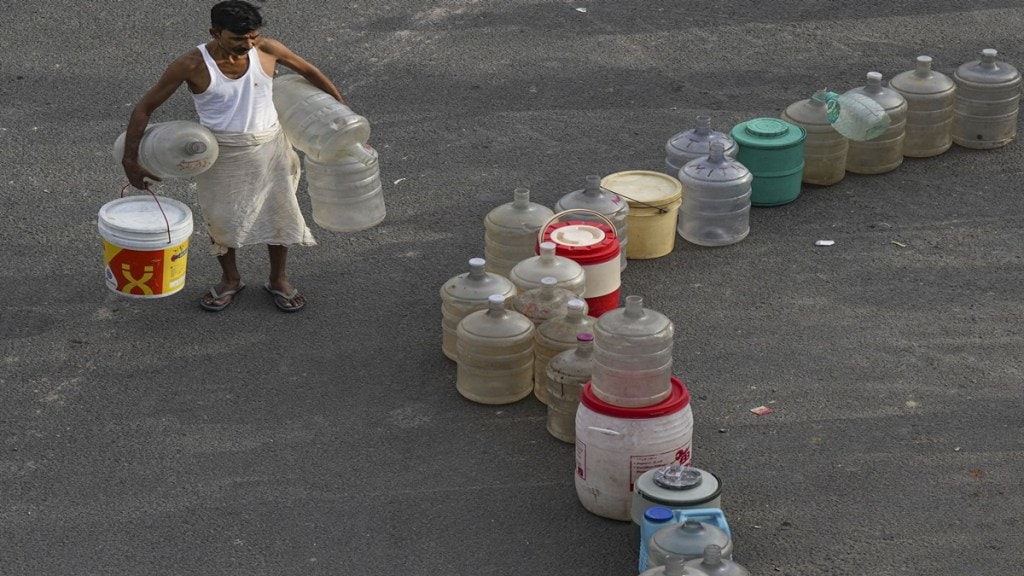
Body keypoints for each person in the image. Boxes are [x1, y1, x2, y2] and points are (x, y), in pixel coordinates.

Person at [122, 0, 346, 312]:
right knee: (221, 220)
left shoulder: (268, 49)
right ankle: (231, 279)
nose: (248, 44)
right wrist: (129, 161)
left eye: (253, 37)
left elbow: (310, 72)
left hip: (270, 146)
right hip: (220, 154)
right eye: (238, 39)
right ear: (215, 32)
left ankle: (278, 279)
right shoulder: (191, 64)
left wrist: (342, 114)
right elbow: (144, 108)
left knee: (280, 214)